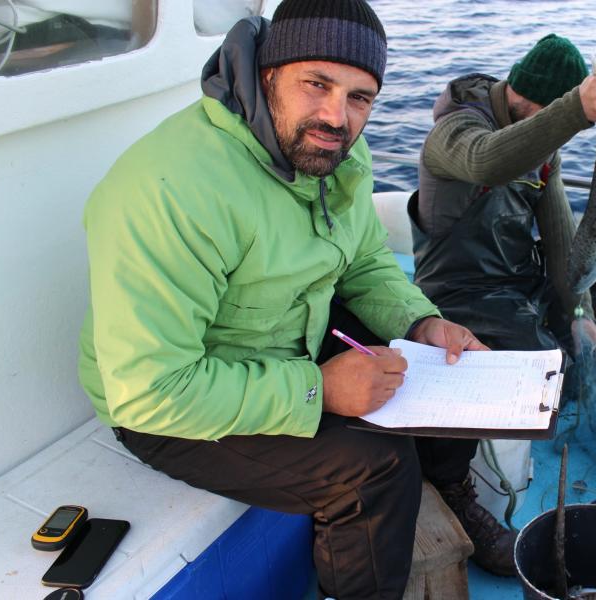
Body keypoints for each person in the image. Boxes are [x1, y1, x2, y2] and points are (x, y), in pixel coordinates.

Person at [77, 1, 494, 598]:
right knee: (376, 471)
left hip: (284, 335)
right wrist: (319, 389)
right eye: (316, 84)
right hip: (171, 404)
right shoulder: (170, 191)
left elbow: (365, 261)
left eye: (359, 97)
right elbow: (148, 393)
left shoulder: (333, 155)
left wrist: (421, 321)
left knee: (435, 369)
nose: (336, 116)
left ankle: (452, 493)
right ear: (267, 74)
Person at [409, 32, 596, 540]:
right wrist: (576, 110)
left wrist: (582, 314)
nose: (557, 138)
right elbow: (486, 160)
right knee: (537, 364)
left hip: (515, 280)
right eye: (552, 116)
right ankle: (448, 485)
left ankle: (566, 372)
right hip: (458, 291)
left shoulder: (543, 148)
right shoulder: (456, 129)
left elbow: (562, 240)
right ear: (524, 96)